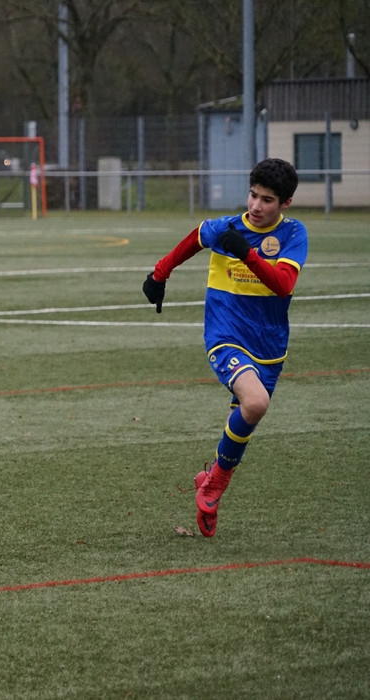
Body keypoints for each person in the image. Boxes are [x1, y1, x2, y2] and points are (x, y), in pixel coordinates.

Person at [141, 158, 307, 538]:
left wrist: (247, 254)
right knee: (256, 403)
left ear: (285, 203)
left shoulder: (293, 234)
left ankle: (211, 478)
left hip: (269, 346)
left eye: (267, 200)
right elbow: (195, 238)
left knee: (246, 418)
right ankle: (216, 484)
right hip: (225, 335)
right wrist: (159, 274)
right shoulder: (227, 227)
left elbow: (283, 284)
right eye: (253, 195)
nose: (256, 206)